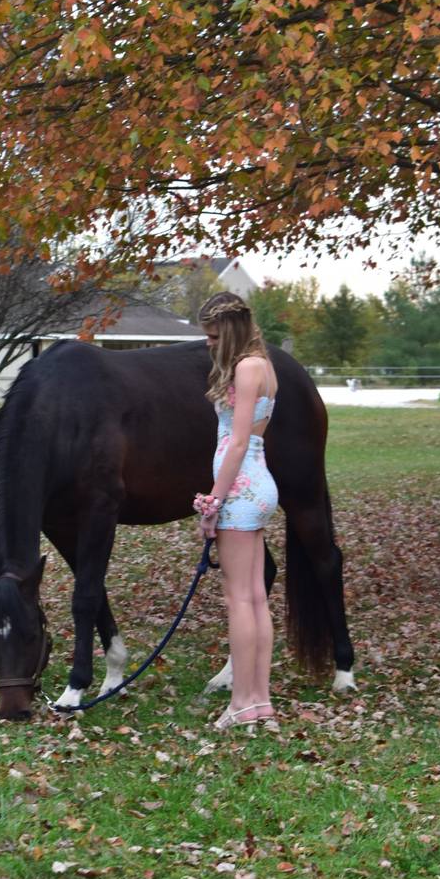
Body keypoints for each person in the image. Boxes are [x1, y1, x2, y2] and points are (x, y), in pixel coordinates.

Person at [194, 292, 280, 732]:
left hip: (242, 489)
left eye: (212, 335)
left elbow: (239, 441)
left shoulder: (246, 368)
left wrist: (214, 500)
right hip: (255, 486)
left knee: (238, 600)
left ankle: (244, 702)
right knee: (254, 597)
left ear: (228, 331)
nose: (208, 343)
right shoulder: (263, 365)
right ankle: (258, 703)